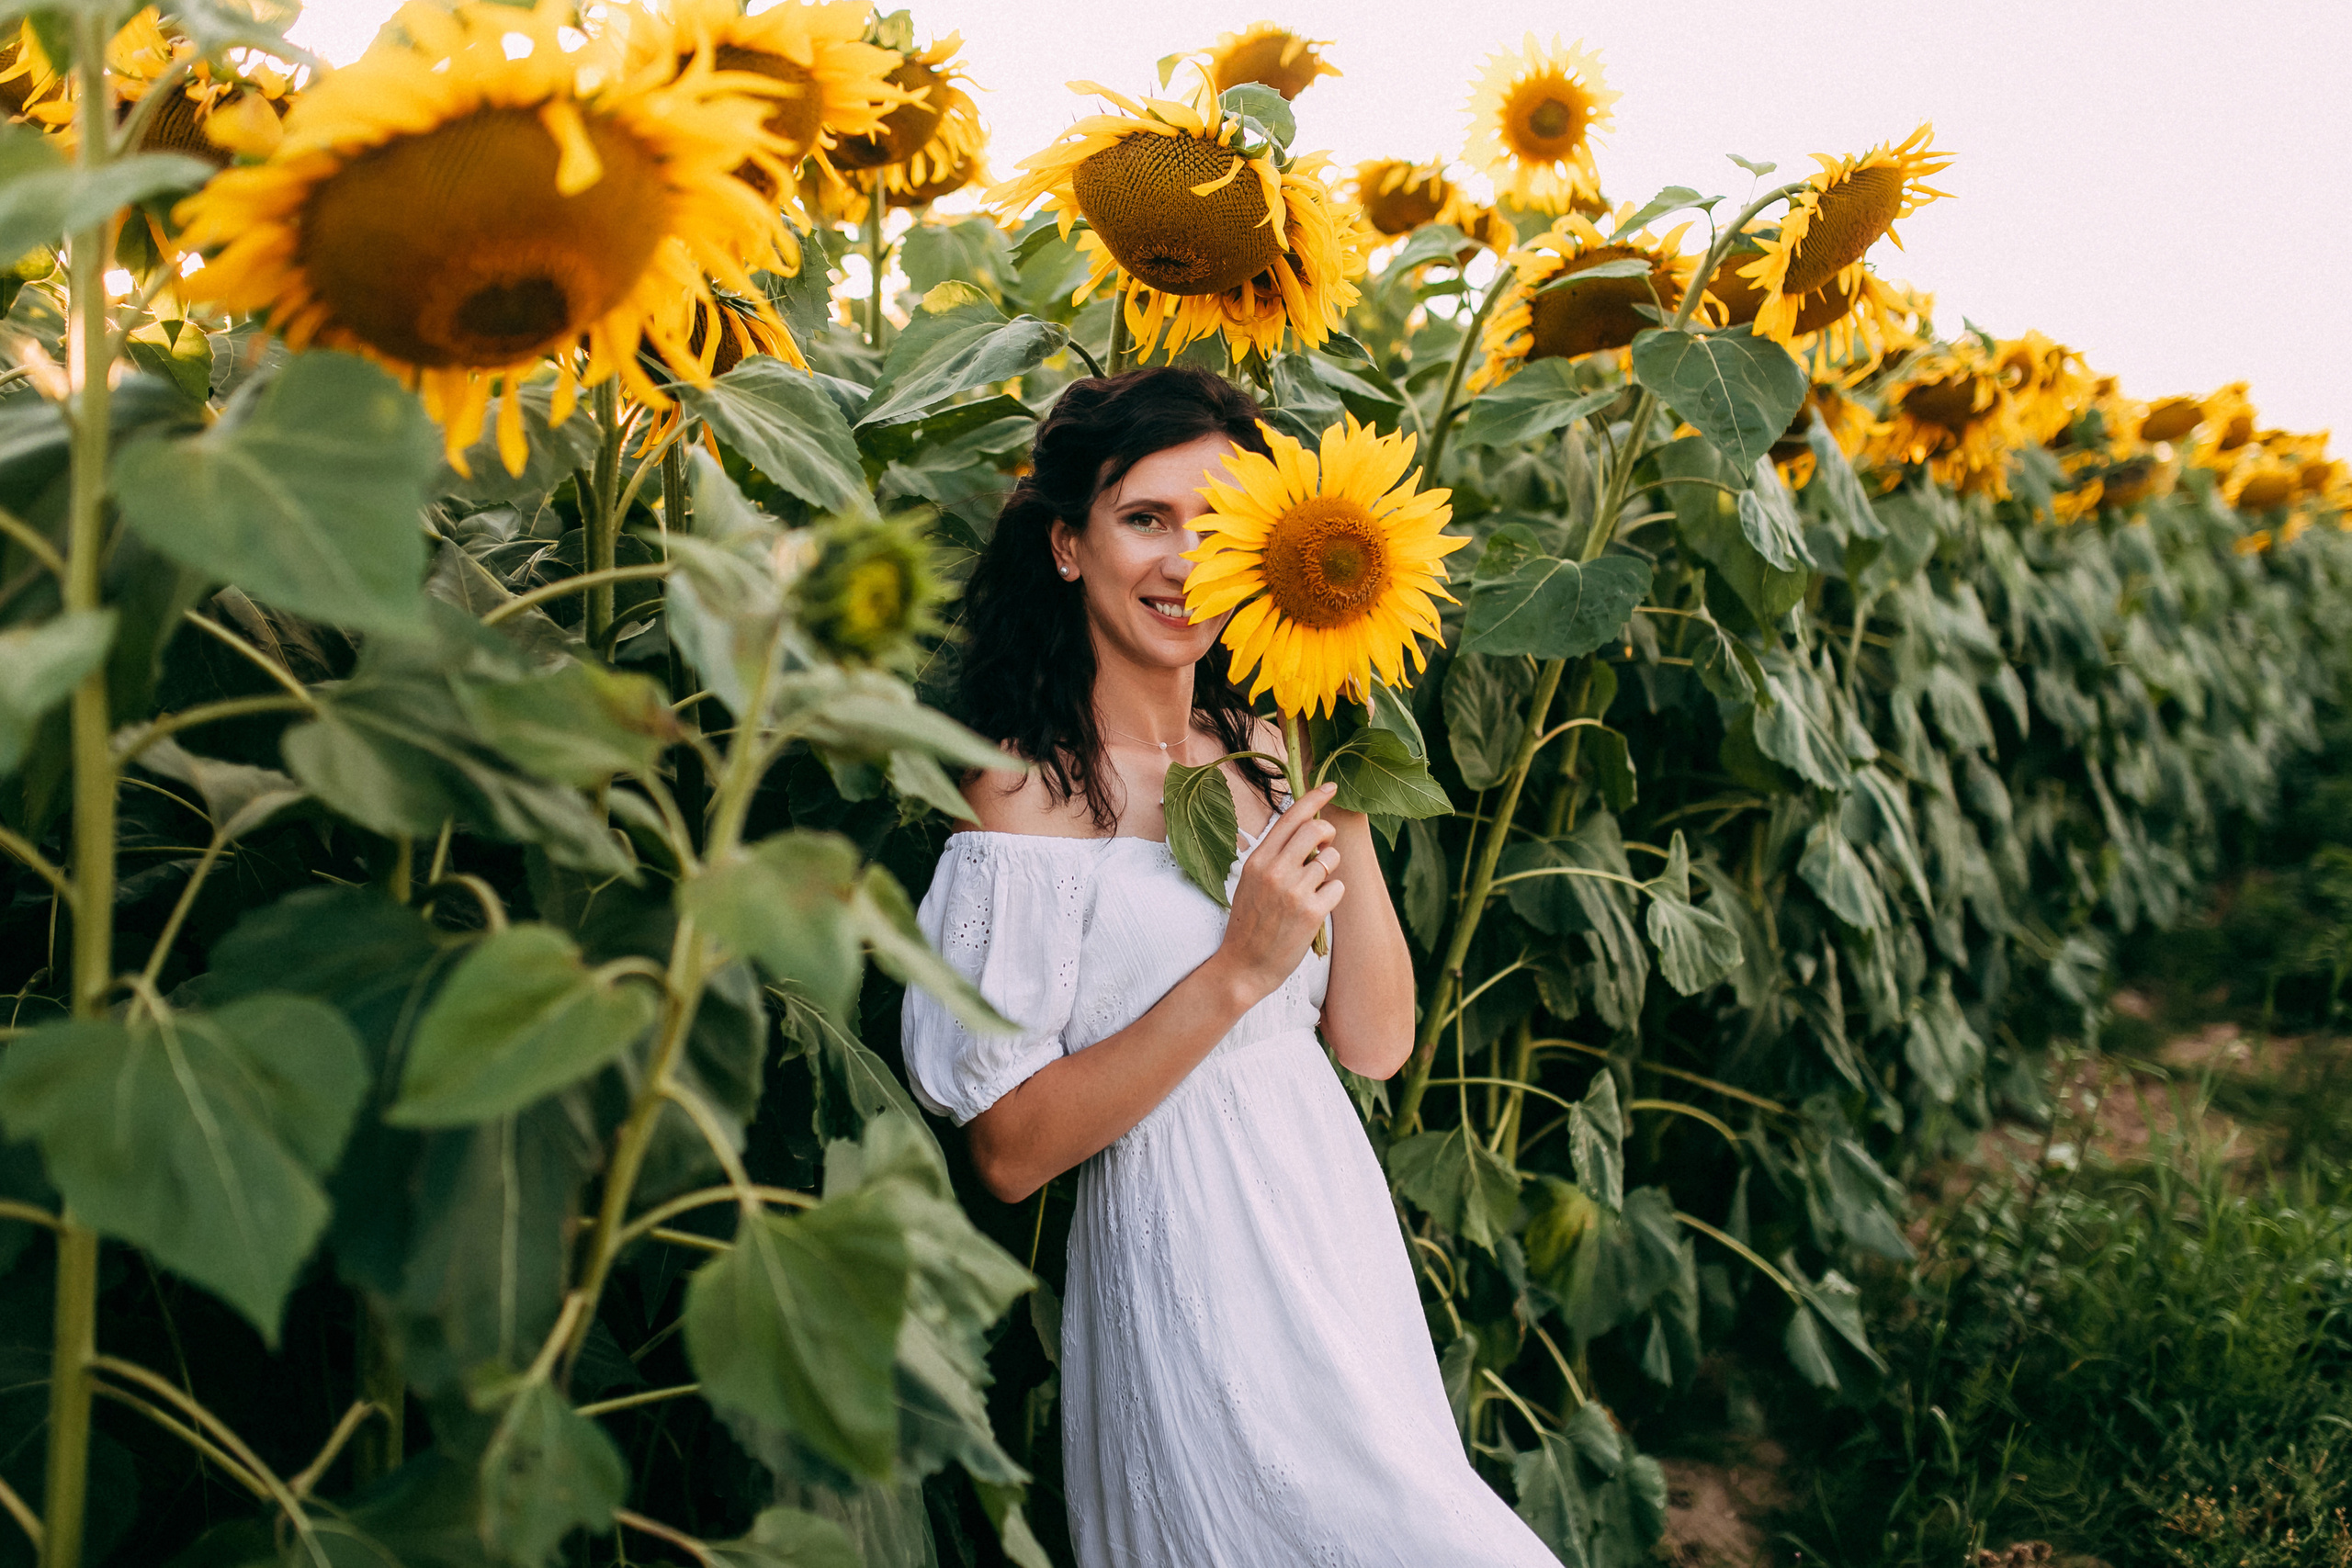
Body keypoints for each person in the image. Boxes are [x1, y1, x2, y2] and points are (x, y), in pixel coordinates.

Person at [900, 367, 1557, 1565]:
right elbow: (1005, 1150)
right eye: (1145, 518)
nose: (1183, 559)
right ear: (1066, 545)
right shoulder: (1021, 794)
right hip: (1189, 1257)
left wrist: (1336, 775)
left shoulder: (1265, 749)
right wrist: (1236, 973)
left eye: (1218, 525)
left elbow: (1374, 1043)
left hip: (1331, 1225)